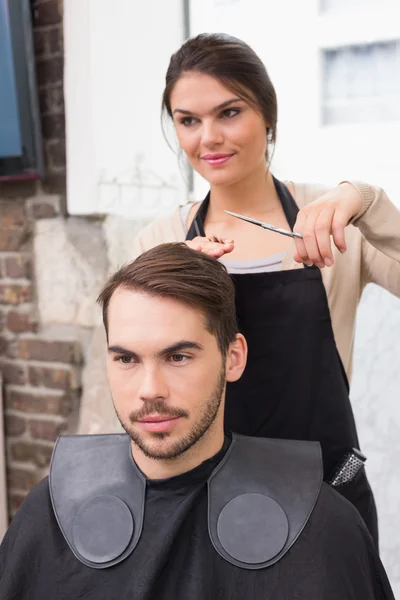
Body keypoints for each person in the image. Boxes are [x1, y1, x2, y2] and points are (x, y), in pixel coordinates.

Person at [0, 243, 395, 600]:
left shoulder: (323, 526)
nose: (150, 390)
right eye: (126, 359)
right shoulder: (49, 512)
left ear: (233, 357)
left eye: (178, 357)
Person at [130, 33, 400, 543]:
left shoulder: (338, 221)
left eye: (228, 112)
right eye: (188, 120)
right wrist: (165, 284)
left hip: (330, 495)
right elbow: (135, 382)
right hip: (205, 505)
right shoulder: (160, 240)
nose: (207, 137)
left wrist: (367, 201)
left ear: (268, 116)